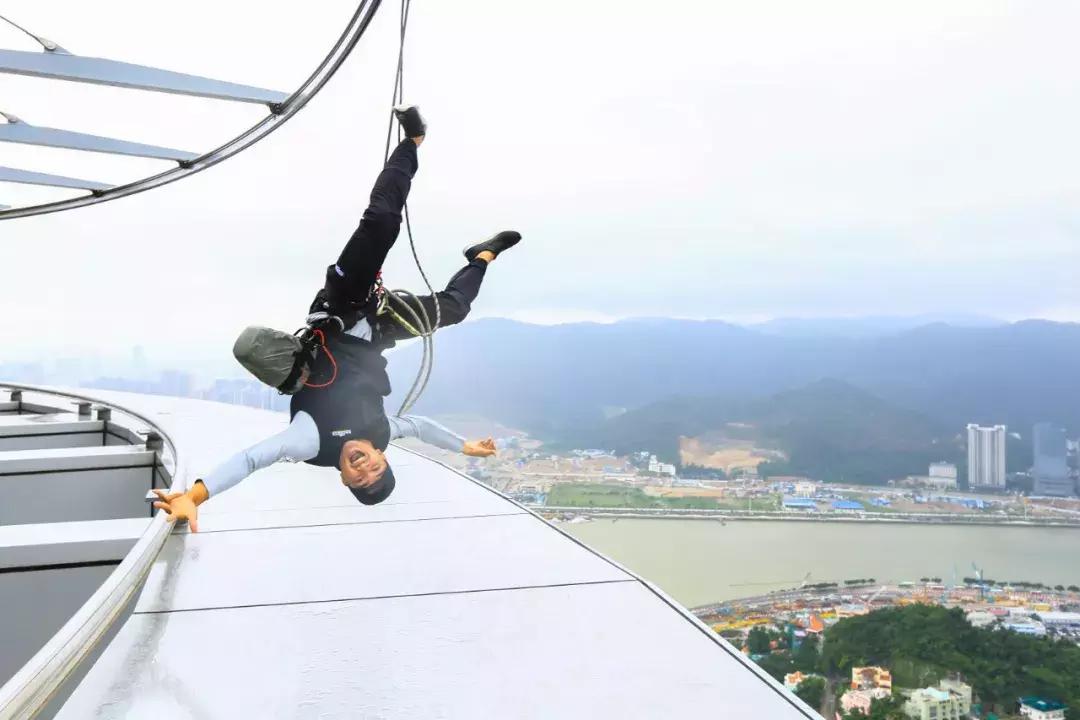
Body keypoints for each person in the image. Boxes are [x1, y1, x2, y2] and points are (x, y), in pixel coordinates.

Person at [152, 105, 522, 531]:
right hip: (377, 330)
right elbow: (418, 428)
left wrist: (195, 497)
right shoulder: (381, 434)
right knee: (453, 309)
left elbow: (254, 458)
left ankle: (411, 143)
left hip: (341, 310)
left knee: (382, 223)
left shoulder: (312, 443)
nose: (366, 469)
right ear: (383, 458)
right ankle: (481, 257)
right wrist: (465, 447)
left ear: (344, 479)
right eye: (377, 471)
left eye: (360, 479)